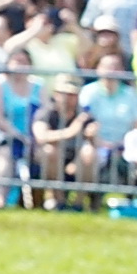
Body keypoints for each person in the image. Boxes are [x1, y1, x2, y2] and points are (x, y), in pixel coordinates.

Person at [0, 50, 43, 208]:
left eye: (23, 61)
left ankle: (44, 201)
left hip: (35, 137)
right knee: (5, 155)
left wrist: (35, 133)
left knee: (46, 154)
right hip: (7, 136)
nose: (19, 65)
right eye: (16, 60)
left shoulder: (39, 85)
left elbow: (45, 110)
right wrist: (17, 135)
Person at [77, 53, 137, 192]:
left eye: (115, 67)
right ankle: (86, 198)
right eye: (106, 67)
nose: (111, 71)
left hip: (125, 146)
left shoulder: (131, 94)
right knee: (87, 153)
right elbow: (84, 122)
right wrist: (100, 142)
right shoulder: (88, 92)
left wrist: (123, 144)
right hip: (95, 144)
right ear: (98, 69)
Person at [34, 75, 95, 210]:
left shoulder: (84, 115)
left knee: (89, 153)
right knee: (51, 151)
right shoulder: (46, 112)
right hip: (48, 161)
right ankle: (59, 200)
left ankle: (78, 204)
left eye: (72, 94)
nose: (68, 98)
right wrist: (70, 132)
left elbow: (96, 141)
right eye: (64, 93)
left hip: (76, 160)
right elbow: (41, 136)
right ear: (55, 94)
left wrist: (93, 135)